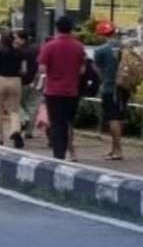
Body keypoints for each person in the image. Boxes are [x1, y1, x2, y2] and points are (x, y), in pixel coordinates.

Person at [37, 15, 86, 160]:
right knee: (67, 122)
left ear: (57, 28)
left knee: (56, 123)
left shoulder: (49, 46)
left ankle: (58, 154)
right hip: (71, 91)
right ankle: (68, 151)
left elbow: (42, 69)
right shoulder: (78, 47)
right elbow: (82, 70)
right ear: (71, 28)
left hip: (53, 91)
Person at [92, 22, 129, 161]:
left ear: (101, 35)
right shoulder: (124, 47)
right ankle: (114, 149)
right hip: (124, 86)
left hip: (109, 87)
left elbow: (96, 69)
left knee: (113, 119)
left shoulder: (100, 50)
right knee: (119, 118)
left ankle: (118, 150)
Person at [14, 30, 40, 141]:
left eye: (16, 38)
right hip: (36, 81)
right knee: (32, 106)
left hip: (22, 81)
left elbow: (21, 69)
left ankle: (24, 119)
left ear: (21, 39)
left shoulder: (20, 51)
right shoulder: (37, 48)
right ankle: (29, 132)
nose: (15, 40)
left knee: (18, 104)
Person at [0, 31, 24, 148]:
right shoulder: (19, 52)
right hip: (15, 80)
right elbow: (23, 70)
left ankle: (0, 138)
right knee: (14, 110)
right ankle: (15, 130)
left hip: (1, 79)